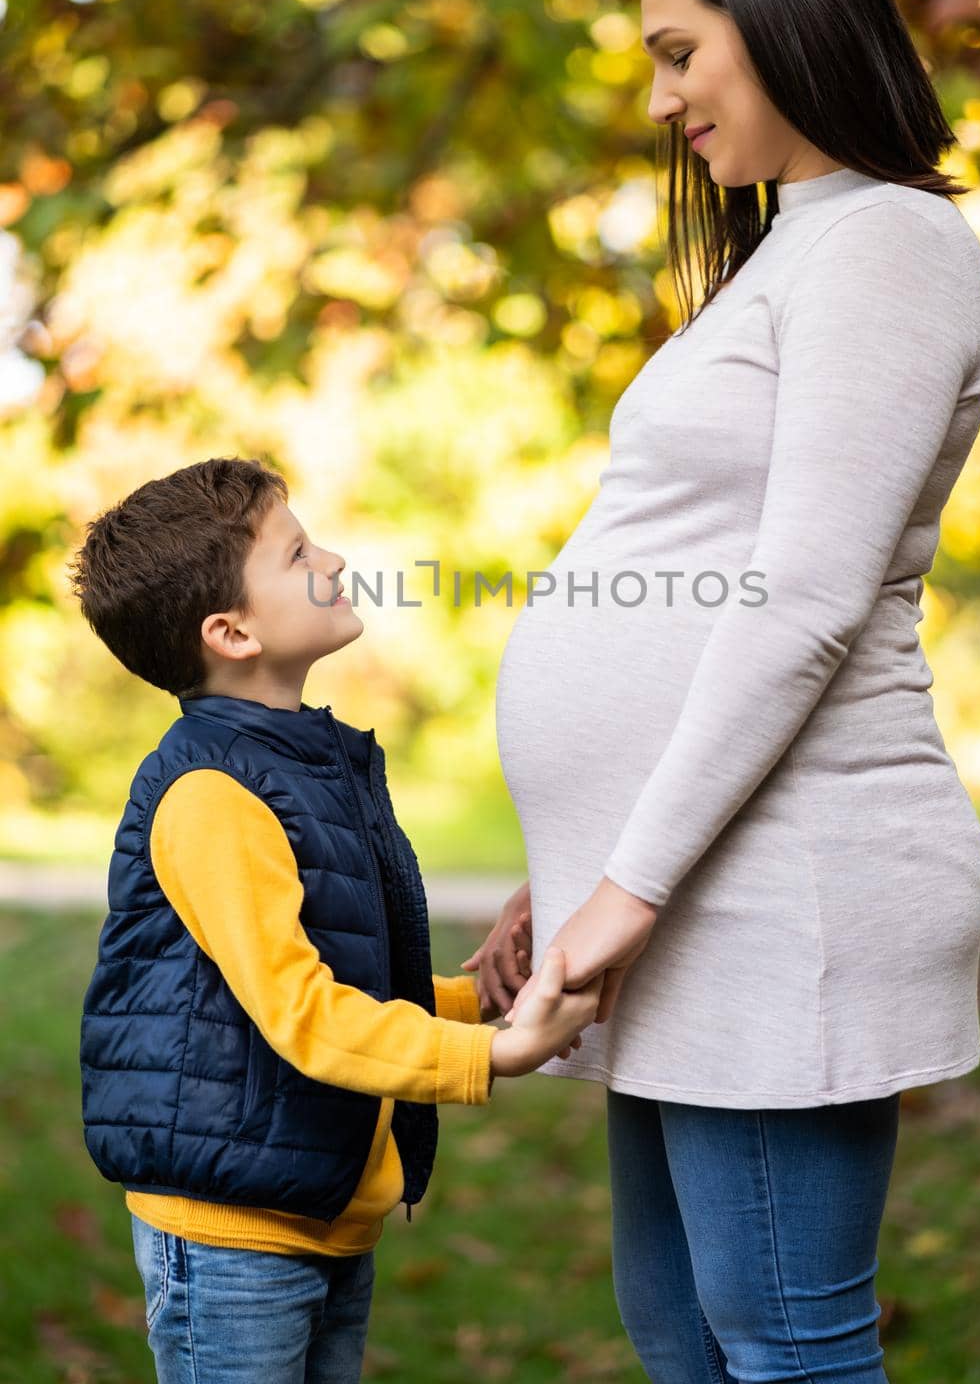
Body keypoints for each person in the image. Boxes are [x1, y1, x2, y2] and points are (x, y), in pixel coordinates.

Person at [466, 0, 980, 1384]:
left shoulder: (888, 245)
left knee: (780, 1337)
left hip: (783, 896)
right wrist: (571, 871)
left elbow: (804, 598)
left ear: (779, 19)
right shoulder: (795, 250)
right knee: (679, 1331)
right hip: (694, 885)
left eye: (675, 52)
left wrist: (621, 891)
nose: (659, 104)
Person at [70, 455, 600, 1384]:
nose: (337, 559)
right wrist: (497, 1056)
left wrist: (477, 998)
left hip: (313, 1209)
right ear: (230, 631)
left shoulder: (301, 762)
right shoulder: (212, 792)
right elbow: (304, 1016)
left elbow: (334, 986)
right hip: (235, 1236)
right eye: (298, 552)